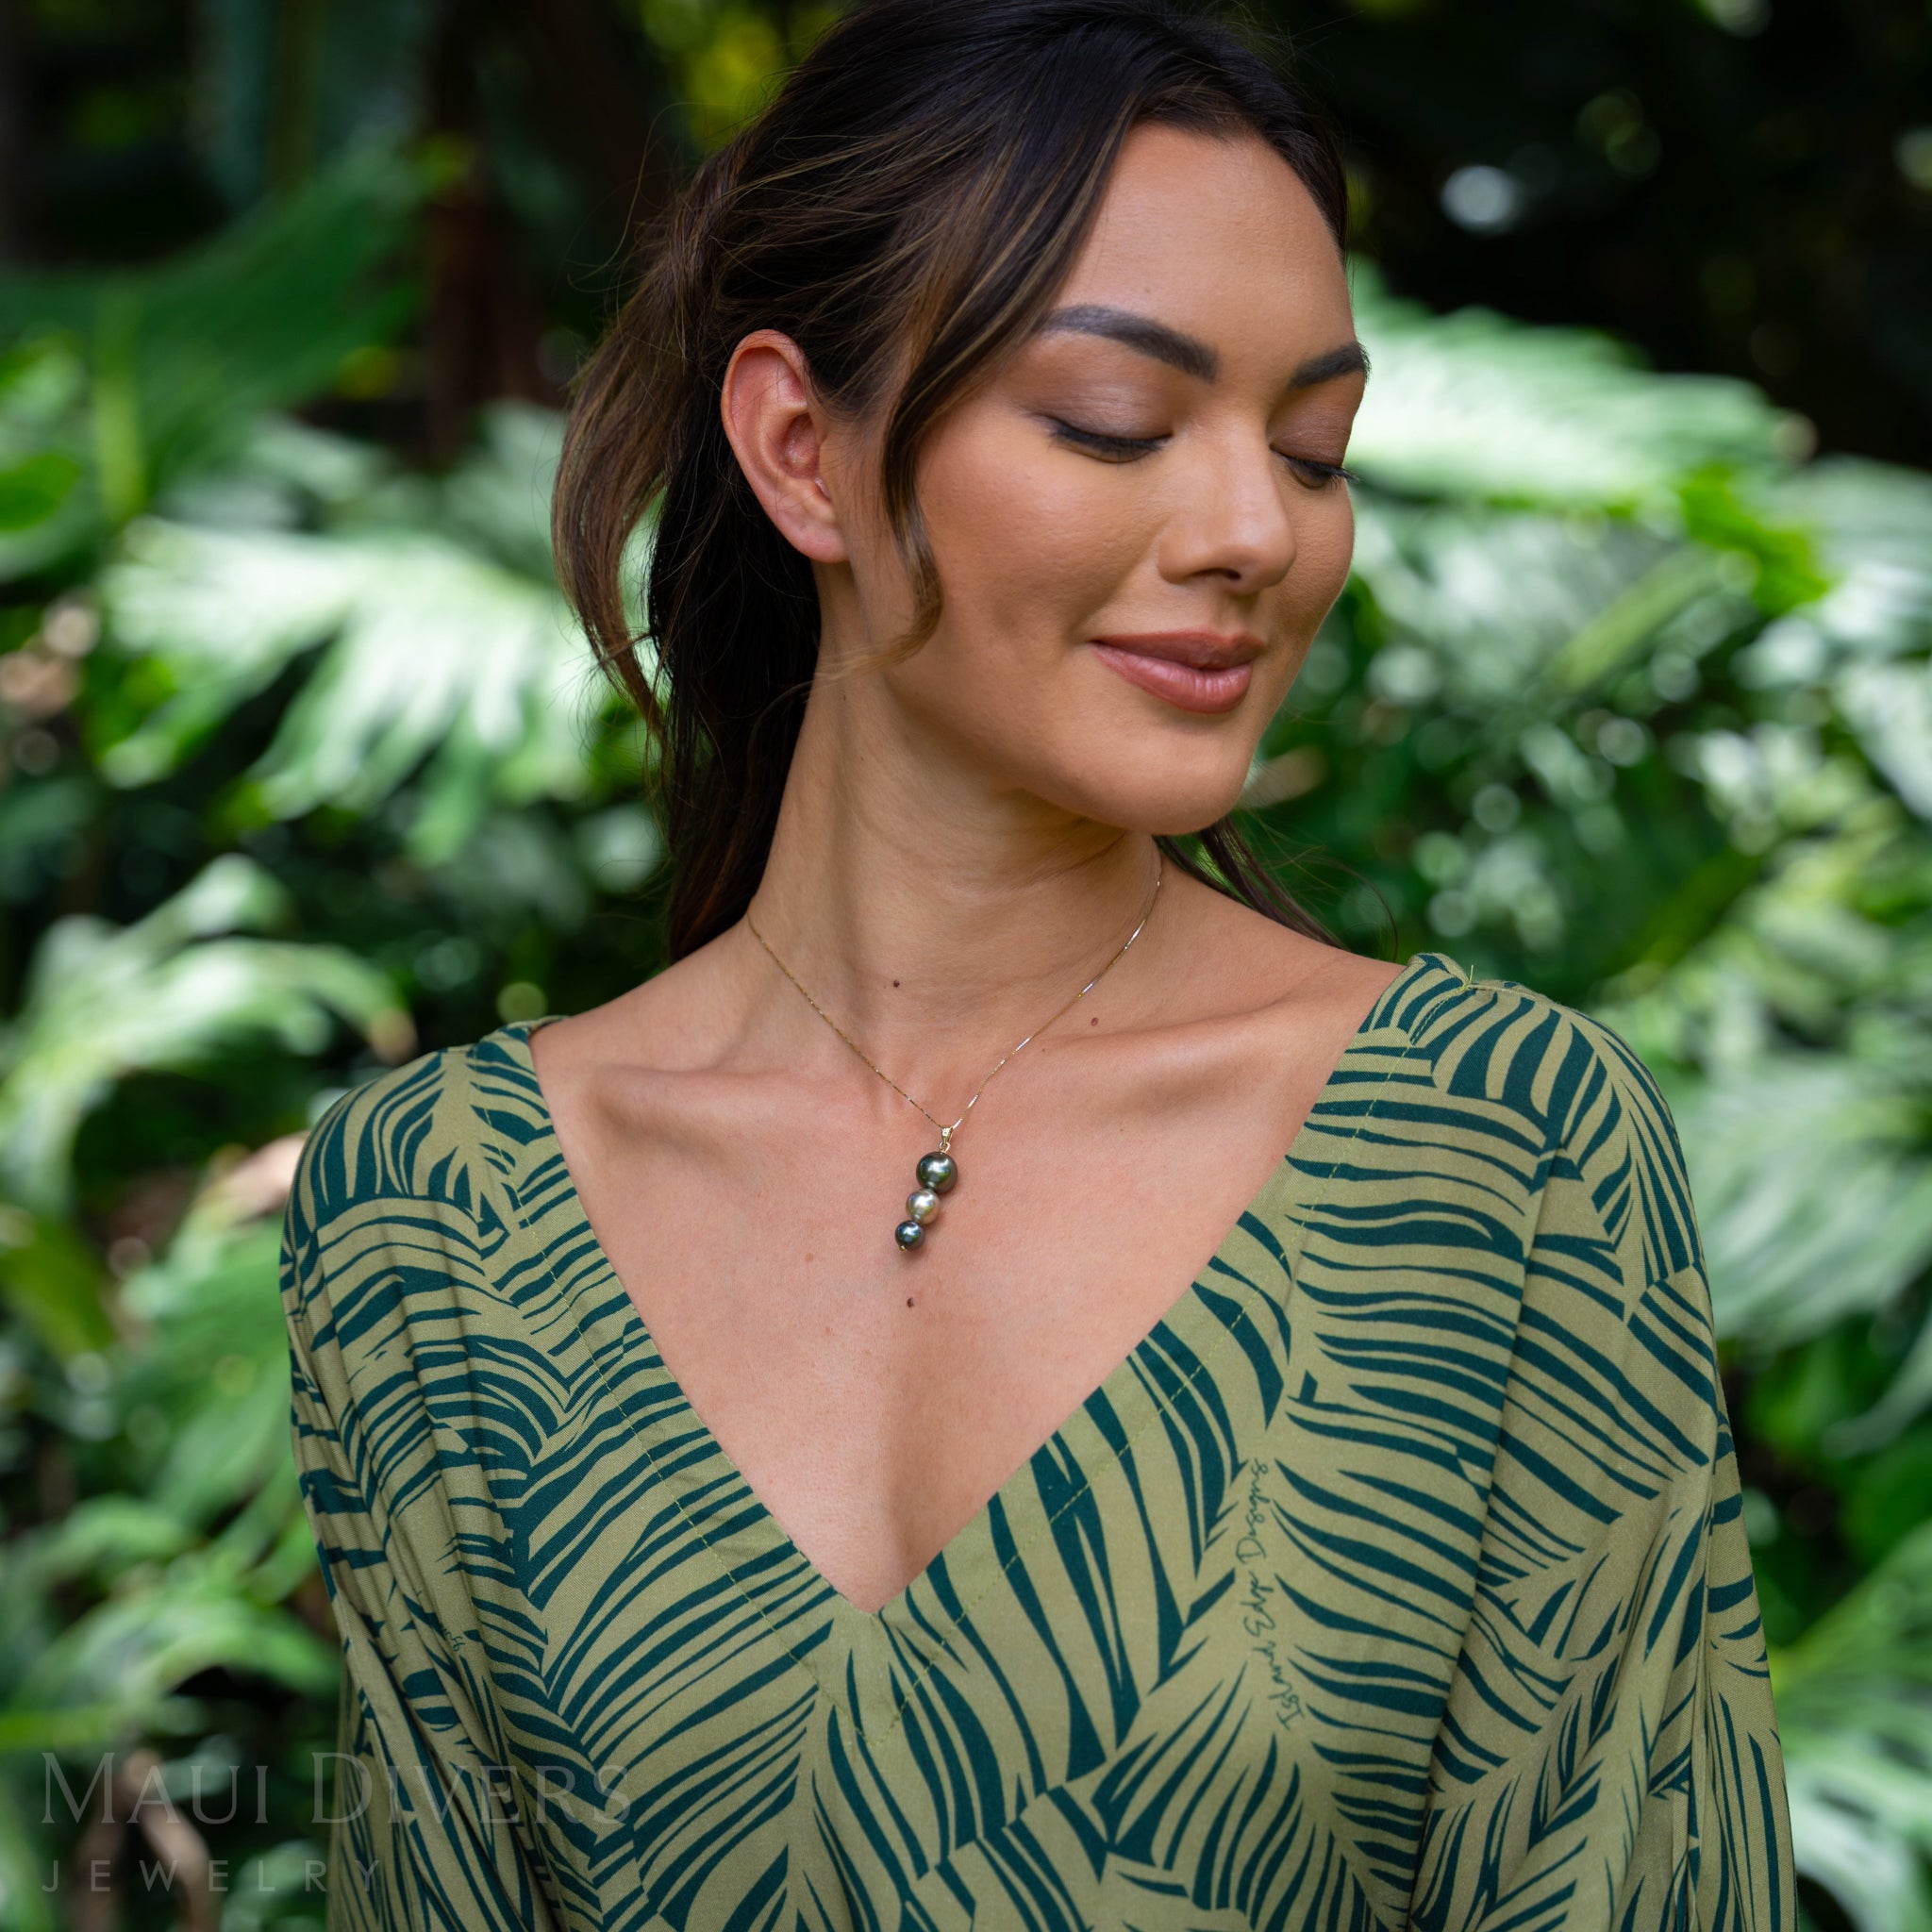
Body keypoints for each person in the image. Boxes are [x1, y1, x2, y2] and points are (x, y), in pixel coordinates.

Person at [278, 1, 1796, 1924]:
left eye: (1313, 449)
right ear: (801, 450)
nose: (1255, 531)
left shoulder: (1496, 1158)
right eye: (1115, 422)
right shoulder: (432, 1213)